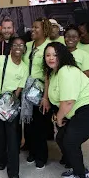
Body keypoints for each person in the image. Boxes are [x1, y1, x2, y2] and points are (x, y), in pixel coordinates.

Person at [44, 42, 89, 178]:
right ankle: (79, 168)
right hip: (79, 110)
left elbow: (68, 101)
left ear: (63, 55)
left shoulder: (66, 70)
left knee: (70, 140)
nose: (51, 58)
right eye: (48, 55)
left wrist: (58, 118)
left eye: (55, 54)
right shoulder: (54, 73)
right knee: (61, 137)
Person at [0, 37, 29, 178]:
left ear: (24, 49)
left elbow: (19, 89)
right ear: (11, 47)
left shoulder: (24, 67)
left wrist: (10, 103)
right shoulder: (1, 59)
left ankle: (14, 173)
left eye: (21, 45)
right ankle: (1, 159)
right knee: (1, 133)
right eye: (16, 45)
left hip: (10, 103)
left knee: (12, 136)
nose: (18, 47)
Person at [22, 18, 53, 169]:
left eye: (36, 28)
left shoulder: (49, 47)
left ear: (45, 30)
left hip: (41, 91)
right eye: (32, 27)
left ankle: (41, 156)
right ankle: (32, 151)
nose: (32, 30)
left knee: (40, 125)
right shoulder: (28, 45)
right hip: (26, 90)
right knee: (29, 124)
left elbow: (49, 75)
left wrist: (46, 97)